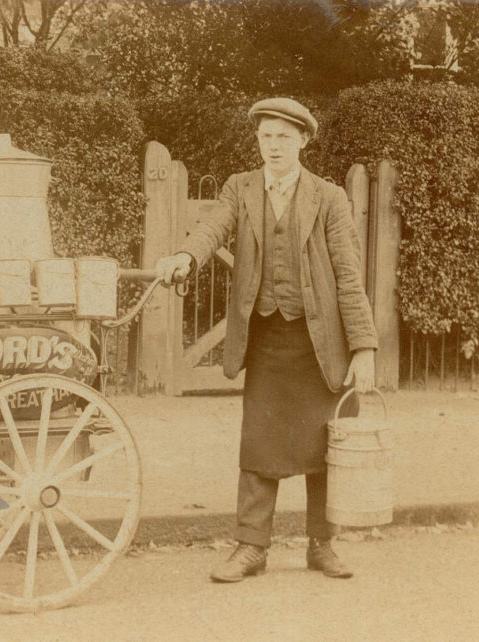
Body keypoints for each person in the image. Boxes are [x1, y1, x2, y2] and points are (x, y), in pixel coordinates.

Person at [155, 97, 377, 583]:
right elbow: (211, 229)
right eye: (265, 137)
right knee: (259, 444)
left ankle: (323, 545)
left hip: (324, 341)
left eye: (283, 137)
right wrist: (185, 258)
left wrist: (363, 348)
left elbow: (348, 275)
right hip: (268, 340)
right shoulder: (240, 188)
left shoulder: (329, 197)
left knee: (327, 444)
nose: (273, 146)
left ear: (302, 140)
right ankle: (251, 548)